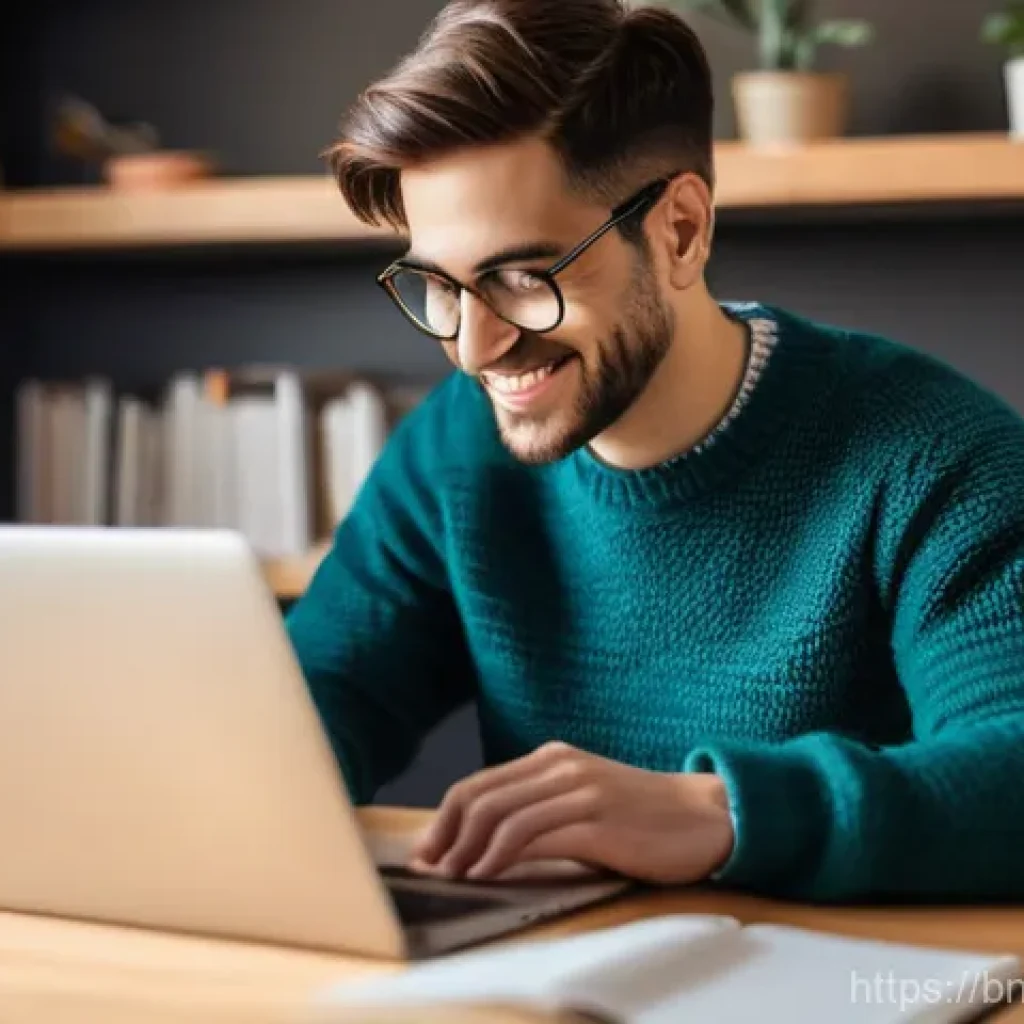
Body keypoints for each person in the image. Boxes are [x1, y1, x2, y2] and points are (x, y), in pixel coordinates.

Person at [285, 0, 1024, 902]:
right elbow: (316, 697)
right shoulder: (453, 447)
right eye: (439, 285)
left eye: (524, 277)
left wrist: (724, 815)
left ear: (679, 231)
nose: (473, 348)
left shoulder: (933, 455)